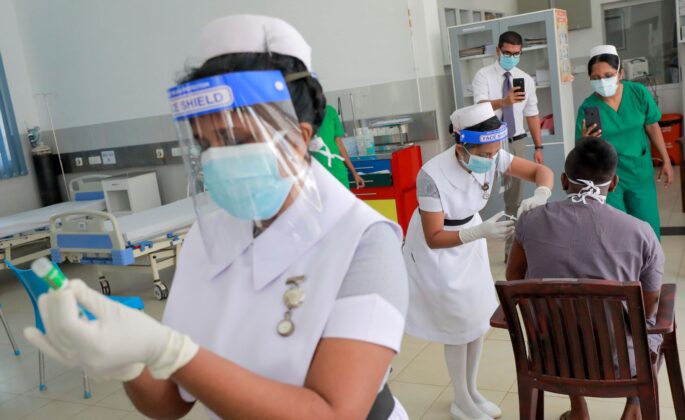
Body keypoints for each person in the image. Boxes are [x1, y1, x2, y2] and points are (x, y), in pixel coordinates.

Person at [23, 15, 409, 420]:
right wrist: (130, 363)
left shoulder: (364, 239)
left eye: (235, 139)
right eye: (205, 143)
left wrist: (172, 353)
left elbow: (334, 413)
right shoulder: (205, 241)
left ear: (297, 139)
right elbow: (170, 403)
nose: (218, 158)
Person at [402, 102, 553, 420]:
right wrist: (481, 232)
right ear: (461, 147)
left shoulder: (493, 154)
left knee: (475, 320)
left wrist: (540, 194)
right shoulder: (431, 175)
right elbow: (433, 237)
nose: (492, 159)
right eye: (484, 154)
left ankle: (471, 391)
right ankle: (460, 398)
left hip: (471, 237)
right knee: (457, 325)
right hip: (440, 249)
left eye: (494, 152)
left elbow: (542, 171)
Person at [506, 138, 664, 420]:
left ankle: (579, 410)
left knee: (566, 322)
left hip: (552, 356)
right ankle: (634, 408)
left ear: (564, 181)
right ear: (613, 183)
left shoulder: (529, 221)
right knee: (655, 328)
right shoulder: (641, 232)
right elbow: (650, 307)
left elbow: (514, 278)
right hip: (623, 363)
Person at [576, 44, 673, 239]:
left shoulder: (638, 93)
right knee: (617, 230)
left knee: (648, 226)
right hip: (608, 176)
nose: (602, 82)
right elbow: (581, 149)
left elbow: (652, 126)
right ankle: (624, 269)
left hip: (640, 171)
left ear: (620, 74)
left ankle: (650, 268)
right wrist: (587, 140)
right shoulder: (588, 107)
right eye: (596, 78)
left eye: (608, 75)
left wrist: (666, 160)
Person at [472, 30, 544, 262]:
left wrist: (538, 146)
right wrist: (504, 102)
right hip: (487, 143)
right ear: (498, 51)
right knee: (477, 197)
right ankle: (472, 249)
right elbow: (480, 108)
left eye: (516, 53)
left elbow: (532, 114)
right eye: (507, 53)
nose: (511, 57)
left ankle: (510, 254)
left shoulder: (526, 79)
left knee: (514, 201)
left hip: (516, 141)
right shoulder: (483, 75)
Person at [310, 104, 366, 189]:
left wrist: (354, 173)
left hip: (339, 173)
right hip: (318, 177)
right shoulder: (299, 115)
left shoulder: (330, 111)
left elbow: (339, 144)